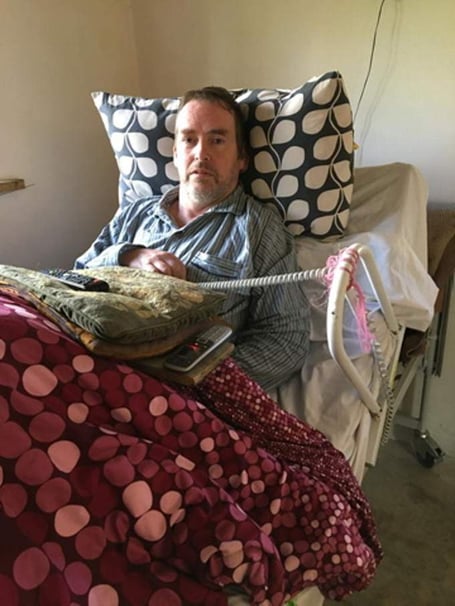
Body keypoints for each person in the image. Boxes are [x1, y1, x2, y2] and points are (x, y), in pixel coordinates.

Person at [75, 86, 310, 391]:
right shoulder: (135, 213)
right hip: (87, 361)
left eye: (217, 140)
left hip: (167, 391)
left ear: (242, 158)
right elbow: (71, 282)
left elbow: (287, 340)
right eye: (189, 140)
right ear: (175, 153)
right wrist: (128, 255)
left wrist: (197, 380)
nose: (201, 153)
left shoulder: (259, 229)